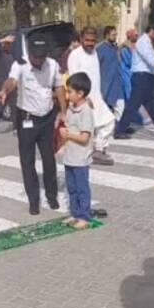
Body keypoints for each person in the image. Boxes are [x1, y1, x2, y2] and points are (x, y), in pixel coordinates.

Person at [0, 34, 66, 215]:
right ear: (30, 53)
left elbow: (59, 88)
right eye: (36, 57)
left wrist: (64, 111)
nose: (39, 60)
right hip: (26, 118)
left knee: (49, 160)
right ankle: (34, 200)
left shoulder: (53, 65)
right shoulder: (21, 64)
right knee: (28, 161)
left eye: (42, 57)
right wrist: (3, 90)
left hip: (47, 118)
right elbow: (12, 81)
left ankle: (52, 196)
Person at [114, 24, 154, 139]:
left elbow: (151, 62)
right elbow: (151, 60)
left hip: (146, 77)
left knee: (152, 105)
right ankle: (119, 130)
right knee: (133, 104)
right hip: (141, 77)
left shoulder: (146, 42)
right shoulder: (143, 43)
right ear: (151, 30)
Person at [68, 26, 116, 166]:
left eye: (93, 41)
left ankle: (98, 150)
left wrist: (99, 95)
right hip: (83, 98)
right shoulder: (75, 55)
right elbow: (73, 78)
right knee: (86, 128)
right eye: (87, 40)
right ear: (81, 39)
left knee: (108, 121)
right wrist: (82, 98)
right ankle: (91, 153)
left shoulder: (94, 53)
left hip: (96, 97)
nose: (90, 43)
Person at [59, 73, 95, 229]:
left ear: (80, 93)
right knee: (71, 188)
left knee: (82, 189)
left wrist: (68, 135)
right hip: (69, 157)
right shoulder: (71, 109)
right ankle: (75, 213)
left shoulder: (86, 111)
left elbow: (84, 137)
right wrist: (62, 143)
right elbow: (68, 129)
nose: (67, 96)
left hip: (80, 158)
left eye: (70, 92)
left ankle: (84, 216)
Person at [95, 26, 124, 119]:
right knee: (104, 108)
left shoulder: (115, 48)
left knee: (120, 105)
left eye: (116, 34)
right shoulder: (100, 48)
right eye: (113, 35)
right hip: (105, 84)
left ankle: (117, 127)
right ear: (107, 35)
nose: (115, 36)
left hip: (116, 83)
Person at [119, 28, 138, 106]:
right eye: (136, 35)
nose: (137, 37)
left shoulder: (133, 46)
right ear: (130, 36)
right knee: (128, 93)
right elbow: (129, 62)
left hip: (131, 73)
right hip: (126, 73)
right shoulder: (125, 48)